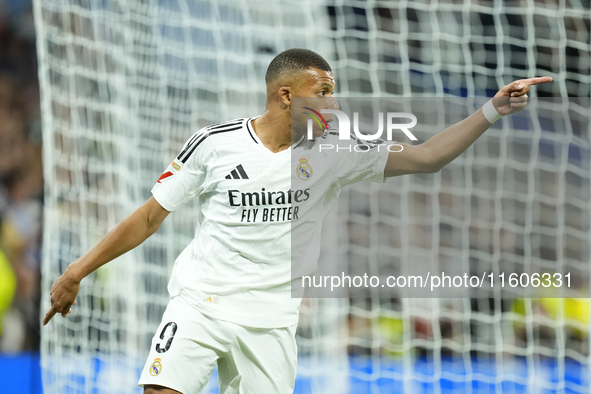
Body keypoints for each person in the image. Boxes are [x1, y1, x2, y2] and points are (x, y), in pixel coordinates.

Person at [43, 48, 551, 394]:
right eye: (324, 90)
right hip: (201, 302)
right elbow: (150, 215)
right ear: (286, 96)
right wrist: (75, 272)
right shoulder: (214, 144)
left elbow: (427, 158)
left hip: (272, 322)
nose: (333, 102)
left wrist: (491, 110)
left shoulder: (336, 152)